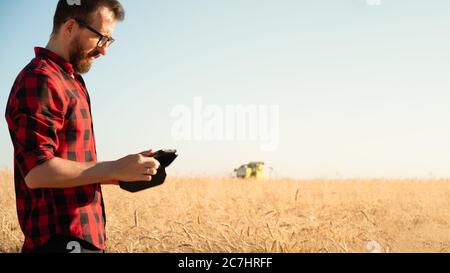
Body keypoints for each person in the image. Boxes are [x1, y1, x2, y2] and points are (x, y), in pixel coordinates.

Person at [4, 0, 160, 253]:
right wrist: (115, 167)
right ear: (70, 27)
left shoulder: (71, 80)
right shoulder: (41, 78)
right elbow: (37, 172)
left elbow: (72, 165)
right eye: (101, 38)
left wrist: (123, 172)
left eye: (109, 41)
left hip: (82, 239)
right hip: (58, 242)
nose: (104, 50)